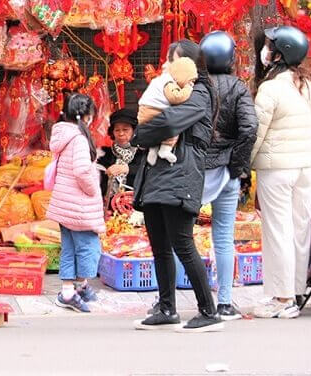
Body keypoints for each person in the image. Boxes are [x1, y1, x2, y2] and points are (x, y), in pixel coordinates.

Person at [250, 26, 311, 319]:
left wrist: (242, 166)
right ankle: (294, 292)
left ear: (279, 54)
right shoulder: (310, 85)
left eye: (270, 47)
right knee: (299, 230)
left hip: (276, 170)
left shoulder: (270, 89)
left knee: (277, 232)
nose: (265, 51)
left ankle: (281, 299)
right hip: (306, 168)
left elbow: (255, 135)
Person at [132, 40, 222, 333]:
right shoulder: (172, 90)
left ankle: (208, 311)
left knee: (182, 243)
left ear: (188, 64)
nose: (167, 66)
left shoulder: (200, 92)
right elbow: (156, 126)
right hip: (158, 174)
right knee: (159, 246)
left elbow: (169, 123)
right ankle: (166, 308)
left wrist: (142, 132)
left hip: (181, 173)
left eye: (172, 60)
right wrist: (144, 133)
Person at [199, 31, 258, 321]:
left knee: (180, 237)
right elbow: (249, 128)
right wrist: (238, 164)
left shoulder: (195, 87)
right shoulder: (238, 88)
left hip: (195, 171)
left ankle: (169, 300)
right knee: (223, 237)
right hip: (226, 171)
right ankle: (224, 302)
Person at [47, 94, 105, 313]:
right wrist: (93, 189)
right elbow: (81, 171)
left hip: (65, 203)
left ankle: (69, 292)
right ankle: (79, 287)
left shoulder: (63, 134)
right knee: (89, 247)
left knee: (70, 249)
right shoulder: (79, 138)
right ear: (87, 116)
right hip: (78, 205)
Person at [138, 56, 198, 165]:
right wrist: (188, 88)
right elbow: (176, 97)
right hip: (154, 111)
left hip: (145, 111)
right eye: (190, 80)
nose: (192, 83)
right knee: (173, 128)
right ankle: (165, 150)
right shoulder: (168, 82)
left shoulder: (161, 79)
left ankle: (153, 150)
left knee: (156, 133)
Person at [97, 108, 143, 200]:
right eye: (117, 130)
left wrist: (127, 169)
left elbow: (149, 172)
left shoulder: (143, 153)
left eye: (125, 129)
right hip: (109, 204)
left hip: (136, 204)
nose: (121, 133)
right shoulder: (104, 154)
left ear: (134, 131)